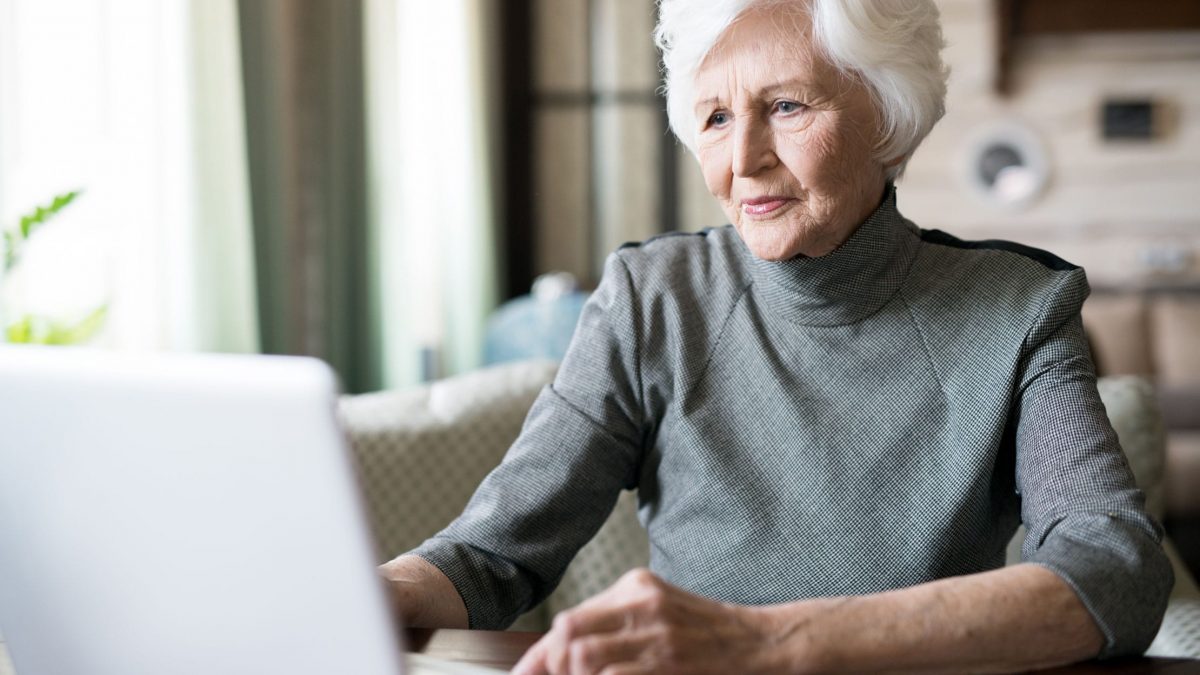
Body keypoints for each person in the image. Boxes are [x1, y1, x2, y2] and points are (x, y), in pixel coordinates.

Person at [380, 1, 1173, 672]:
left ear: (888, 117)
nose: (742, 160)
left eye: (787, 106)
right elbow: (493, 554)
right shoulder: (651, 299)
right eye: (716, 118)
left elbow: (1115, 571)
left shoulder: (1021, 309)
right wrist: (369, 591)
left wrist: (764, 641)